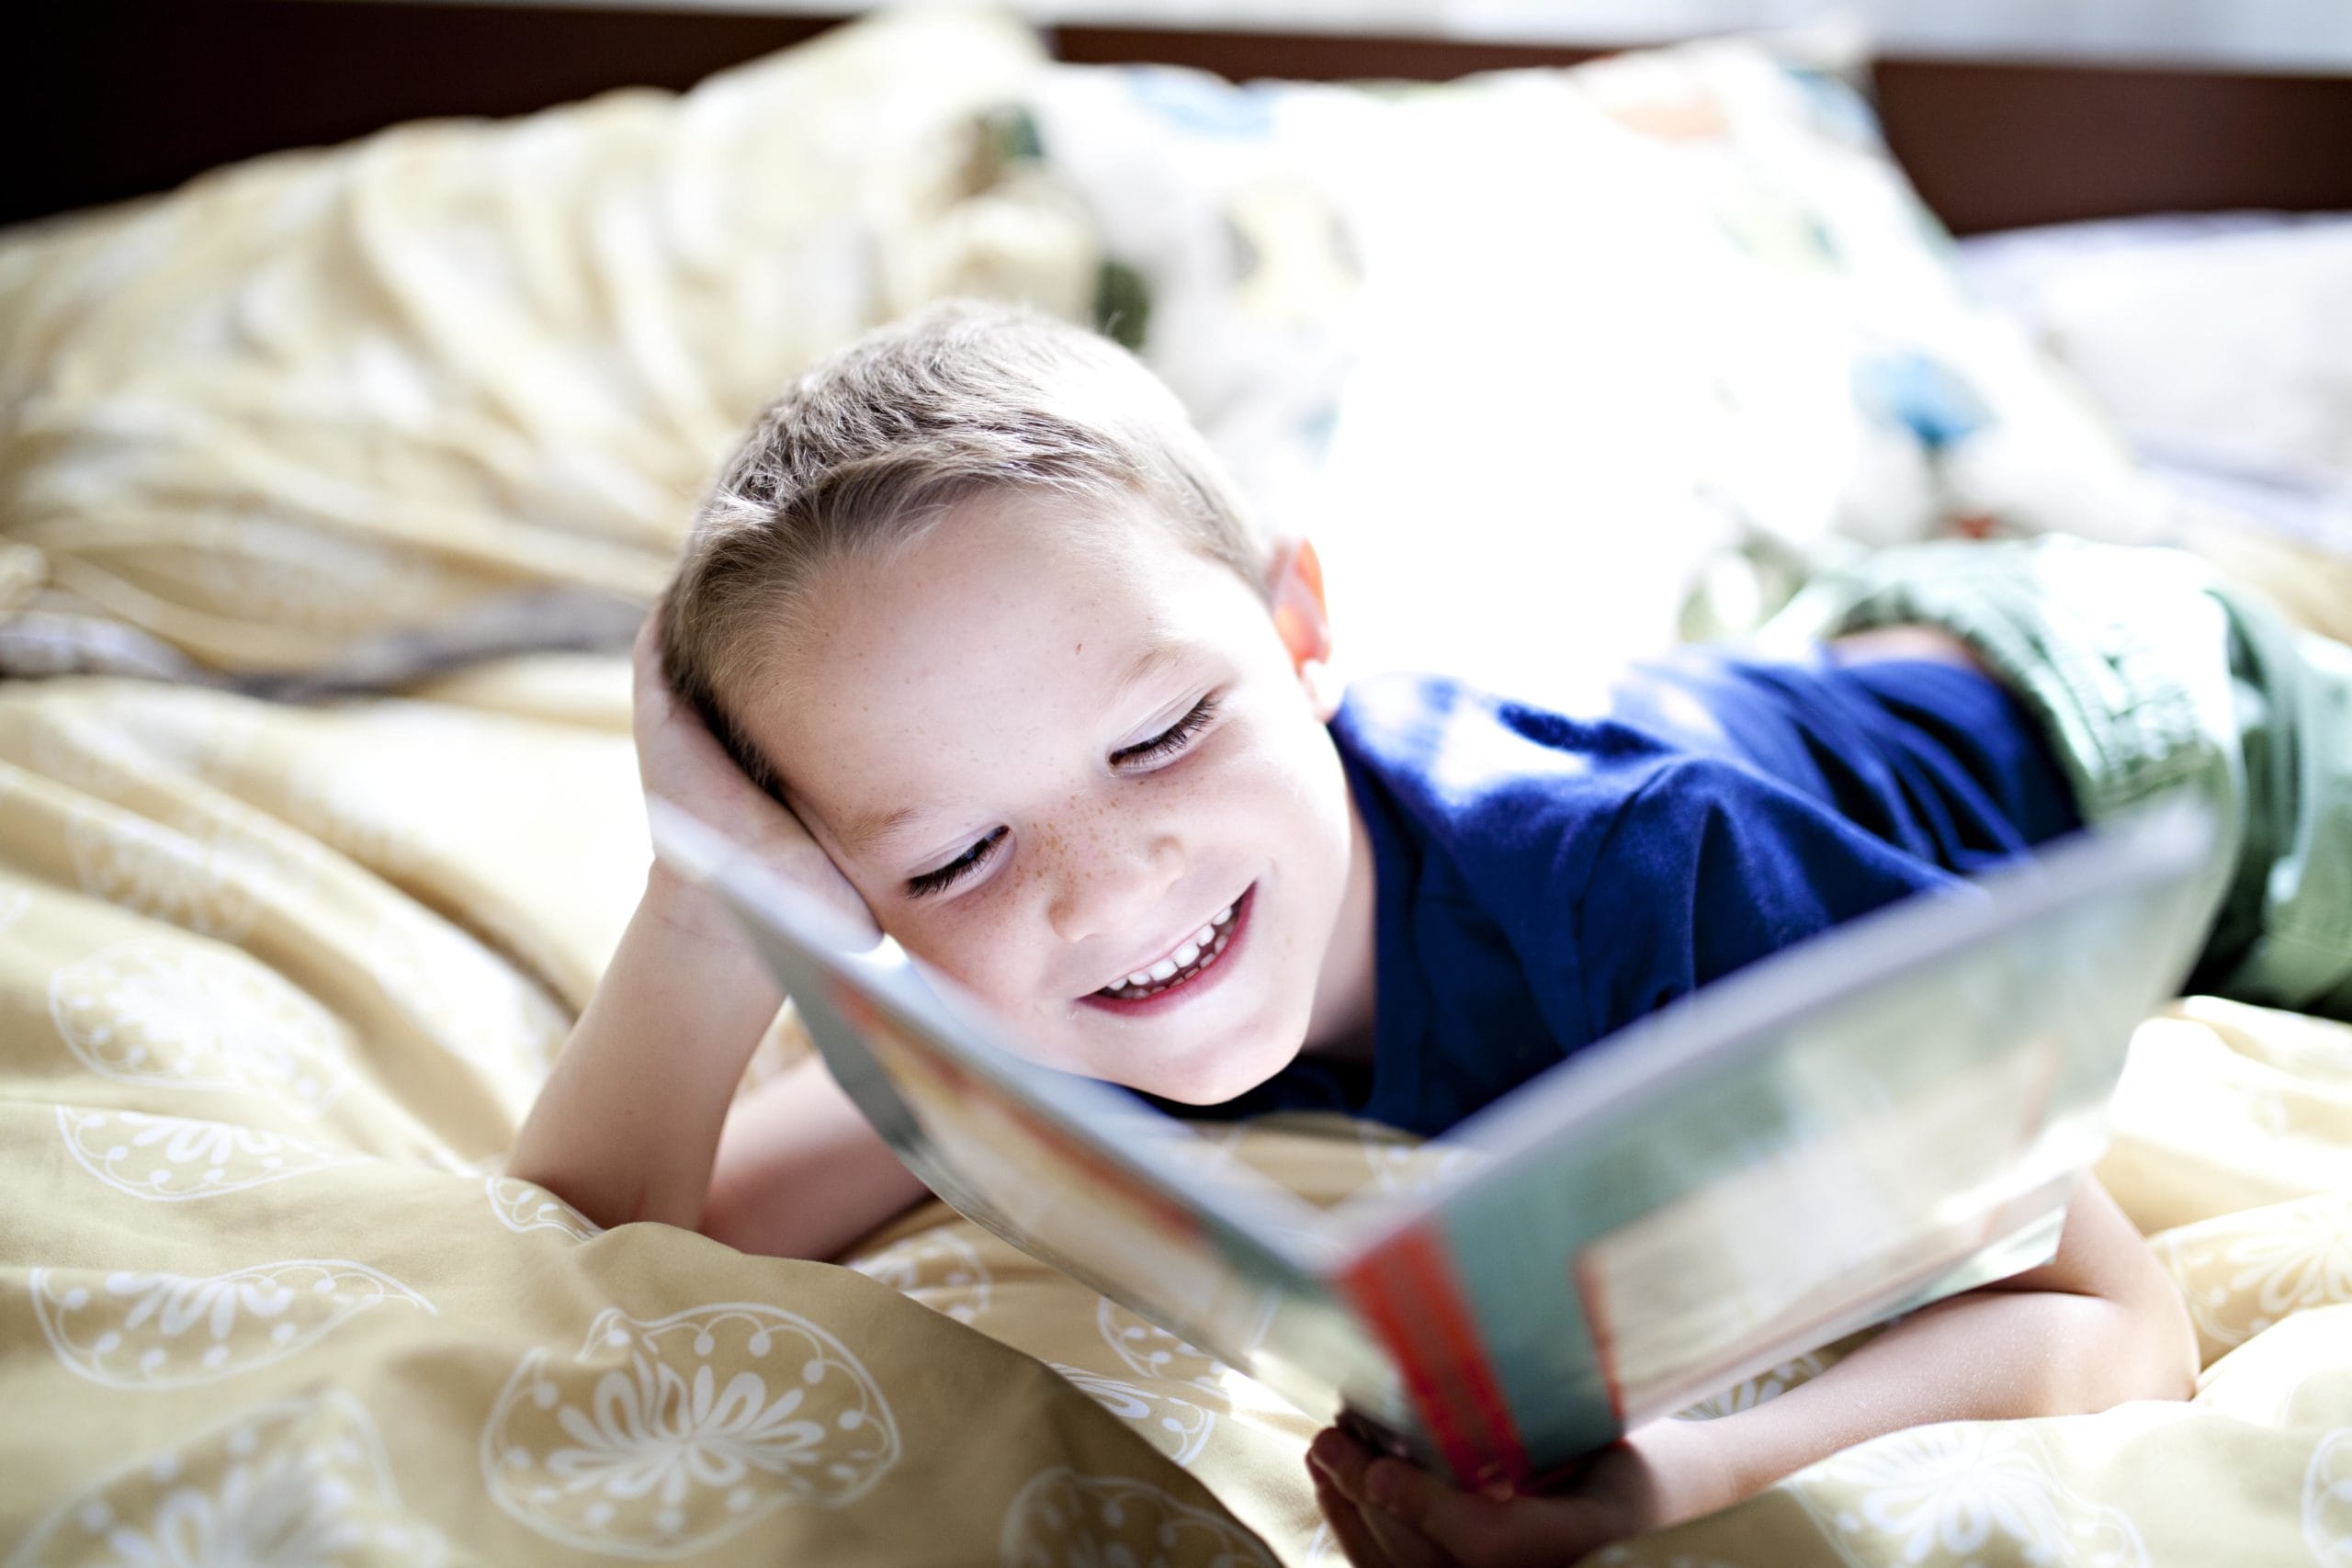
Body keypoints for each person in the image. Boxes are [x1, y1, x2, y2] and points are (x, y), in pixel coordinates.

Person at [509, 299, 2352, 1566]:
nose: (1106, 884)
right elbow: (603, 1235)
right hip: (1796, 688)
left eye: (1161, 732)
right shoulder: (1021, 1019)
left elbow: (2109, 1322)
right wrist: (698, 900)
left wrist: (1655, 1480)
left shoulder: (1653, 875)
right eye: (956, 848)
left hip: (2151, 722)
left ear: (1301, 632)